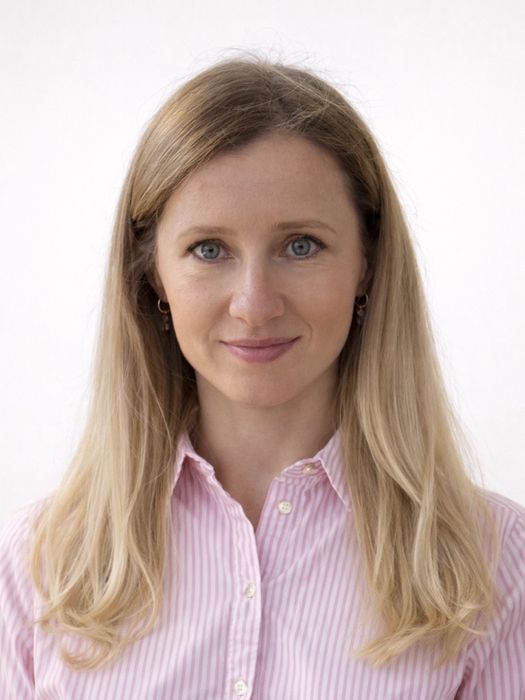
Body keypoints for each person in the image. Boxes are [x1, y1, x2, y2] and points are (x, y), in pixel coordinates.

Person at [1, 55, 524, 699]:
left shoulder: (497, 564)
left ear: (367, 264)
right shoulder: (38, 564)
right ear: (153, 275)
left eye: (300, 245)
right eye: (209, 249)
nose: (254, 304)